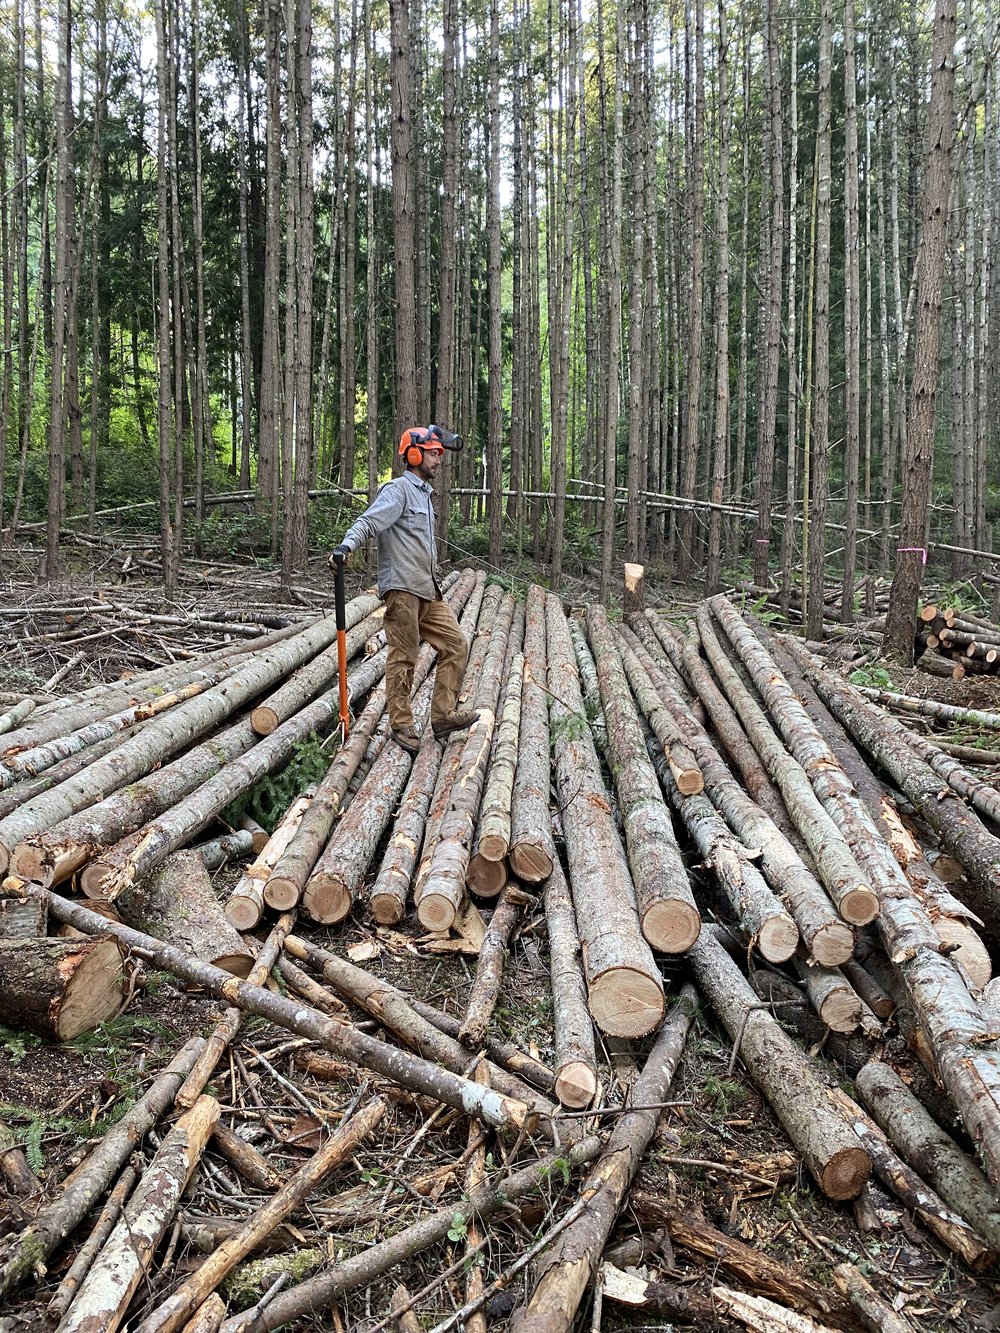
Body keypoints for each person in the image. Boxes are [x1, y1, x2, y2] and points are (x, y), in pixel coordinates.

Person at [330, 425, 479, 756]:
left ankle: (442, 717)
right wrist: (345, 547)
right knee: (405, 656)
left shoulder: (424, 495)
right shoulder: (397, 491)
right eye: (433, 454)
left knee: (455, 645)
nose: (438, 460)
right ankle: (401, 724)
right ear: (414, 454)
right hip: (401, 590)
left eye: (440, 454)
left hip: (427, 589)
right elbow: (368, 522)